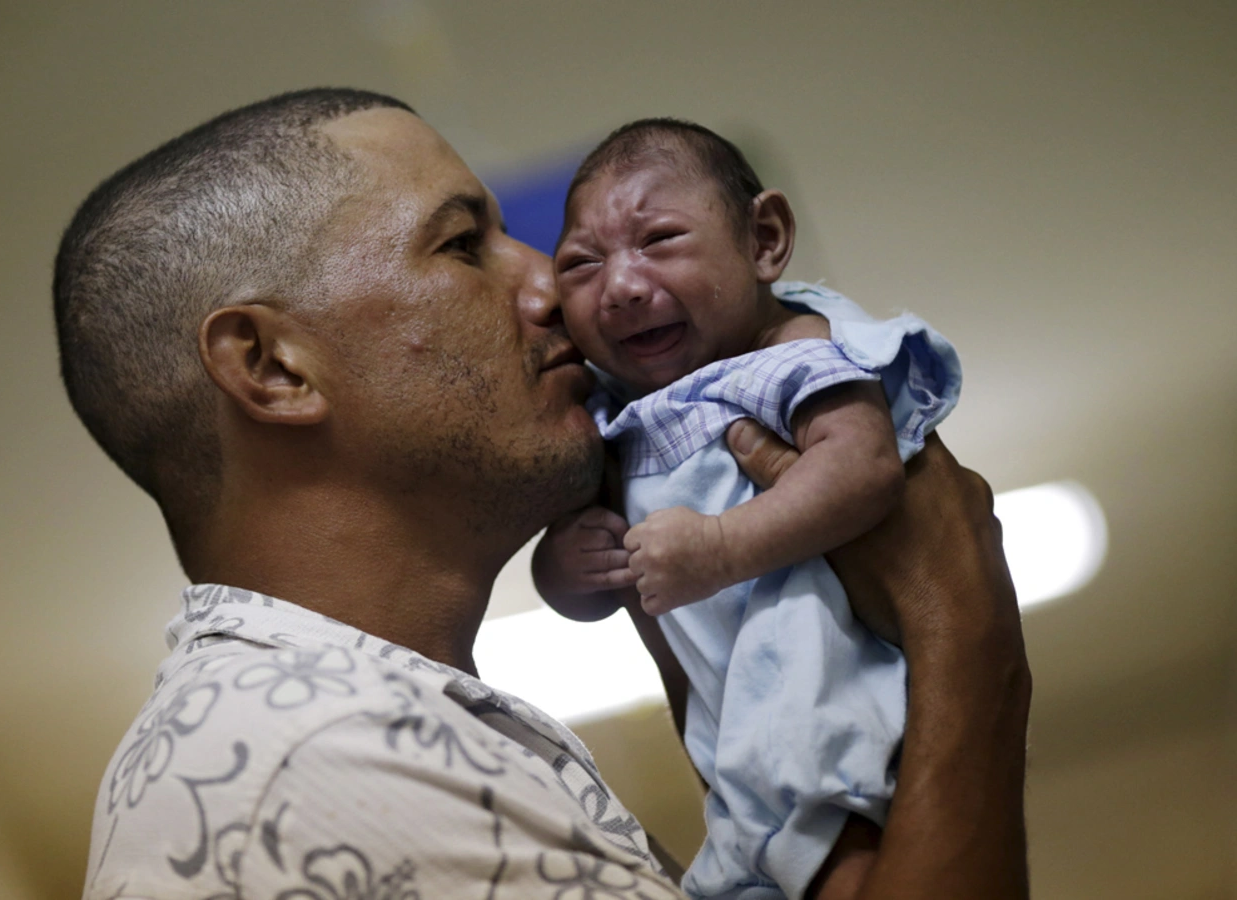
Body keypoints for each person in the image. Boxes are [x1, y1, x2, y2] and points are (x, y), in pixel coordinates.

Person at [52, 88, 1031, 899]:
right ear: (272, 365)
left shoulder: (331, 734)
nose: (550, 287)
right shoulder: (310, 762)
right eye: (463, 245)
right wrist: (963, 636)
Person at [533, 119, 960, 899]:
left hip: (831, 702)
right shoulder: (614, 416)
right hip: (737, 751)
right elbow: (588, 596)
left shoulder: (788, 352)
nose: (621, 285)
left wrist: (726, 548)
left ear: (764, 240)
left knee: (849, 861)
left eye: (658, 239)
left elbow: (862, 467)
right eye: (581, 264)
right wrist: (565, 567)